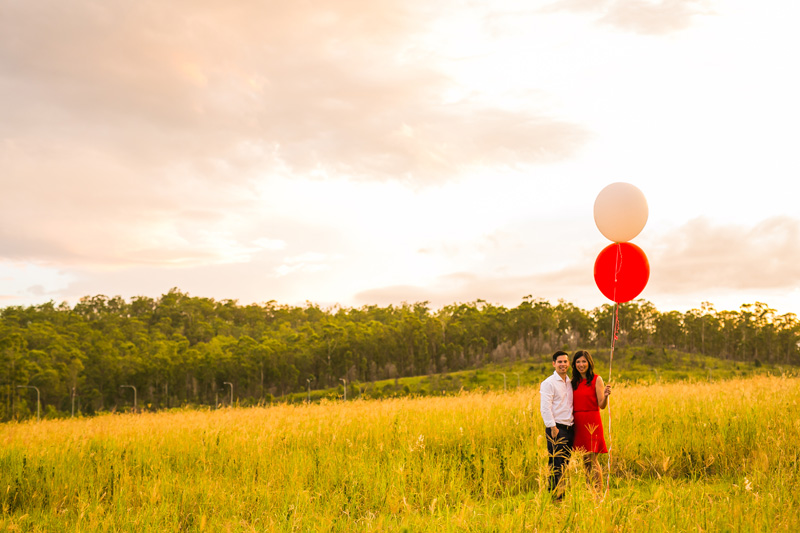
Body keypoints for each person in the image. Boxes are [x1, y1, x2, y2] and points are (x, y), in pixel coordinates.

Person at [571, 350, 611, 494]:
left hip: (592, 421)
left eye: (584, 361)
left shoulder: (596, 379)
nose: (581, 365)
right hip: (578, 423)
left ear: (589, 363)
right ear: (574, 365)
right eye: (578, 362)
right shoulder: (573, 382)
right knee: (585, 460)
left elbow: (602, 405)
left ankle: (598, 493)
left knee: (592, 459)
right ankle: (590, 491)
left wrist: (605, 396)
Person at [540, 350, 574, 500]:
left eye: (565, 361)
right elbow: (545, 407)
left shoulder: (570, 382)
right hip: (556, 428)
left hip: (570, 428)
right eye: (559, 362)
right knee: (556, 463)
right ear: (554, 364)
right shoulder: (548, 383)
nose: (563, 364)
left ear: (568, 363)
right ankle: (555, 496)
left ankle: (562, 493)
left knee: (566, 462)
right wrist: (552, 427)